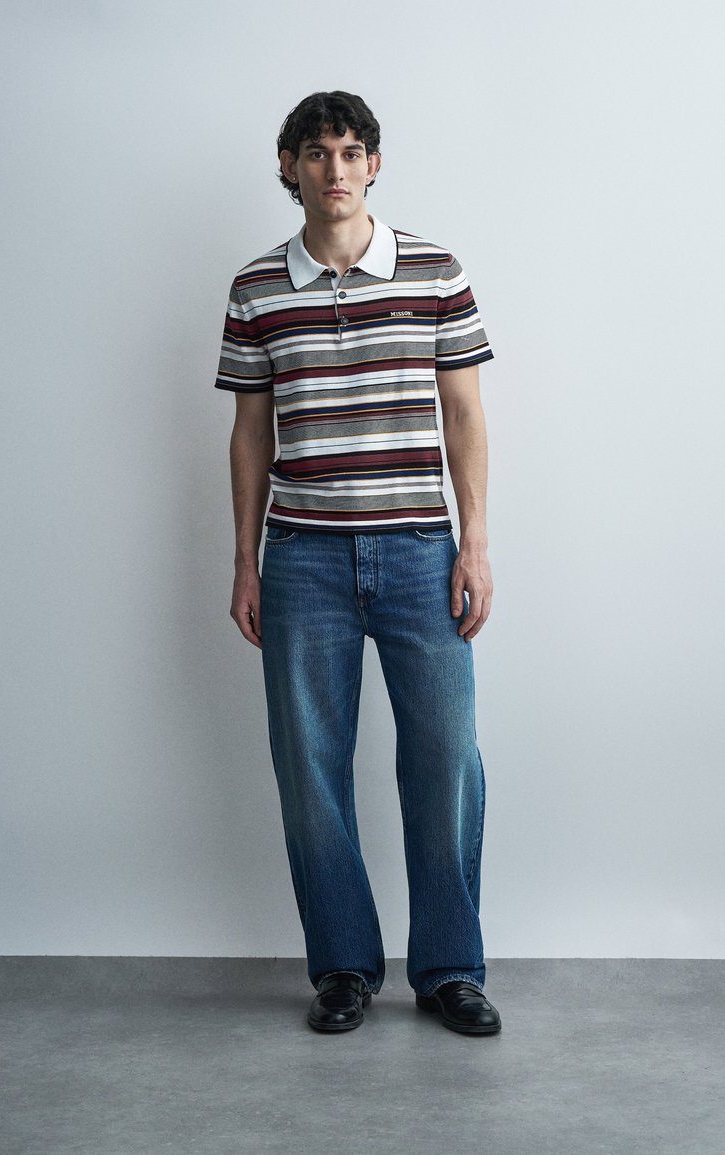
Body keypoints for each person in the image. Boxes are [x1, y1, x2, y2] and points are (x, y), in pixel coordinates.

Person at [215, 91, 500, 1035]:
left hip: (423, 551)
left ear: (374, 164)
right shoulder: (257, 287)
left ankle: (451, 968)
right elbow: (250, 430)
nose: (334, 169)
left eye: (350, 151)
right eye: (315, 153)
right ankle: (343, 967)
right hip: (301, 558)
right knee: (309, 769)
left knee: (446, 760)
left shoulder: (433, 269)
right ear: (288, 166)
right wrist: (246, 559)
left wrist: (478, 543)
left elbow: (464, 414)